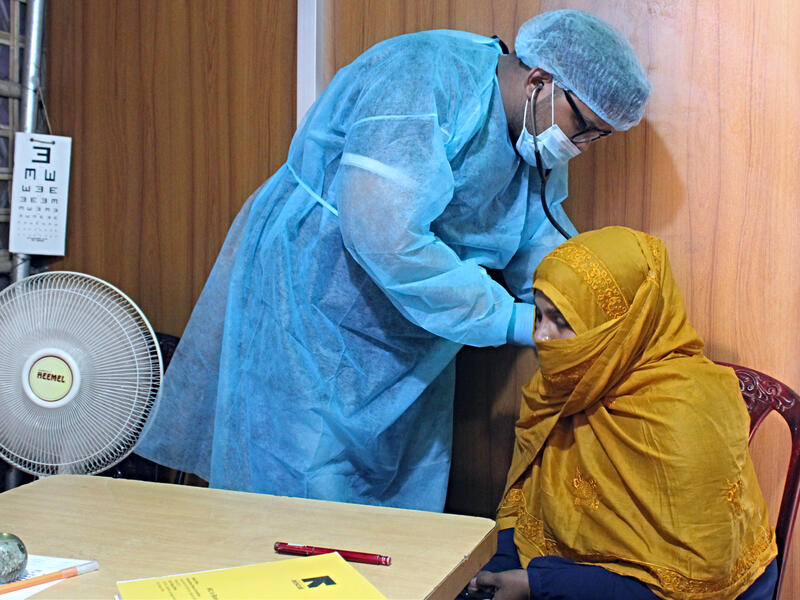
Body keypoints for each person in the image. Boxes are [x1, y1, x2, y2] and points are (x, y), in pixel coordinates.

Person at [135, 10, 650, 510]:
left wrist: (581, 304)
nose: (582, 146)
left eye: (598, 137)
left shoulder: (532, 137)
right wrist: (516, 320)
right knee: (299, 492)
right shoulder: (424, 75)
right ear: (540, 80)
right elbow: (385, 237)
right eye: (584, 127)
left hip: (414, 335)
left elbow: (537, 230)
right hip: (314, 305)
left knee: (399, 498)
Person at [465, 226, 777, 599]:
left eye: (562, 322)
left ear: (624, 326)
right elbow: (525, 504)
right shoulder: (566, 388)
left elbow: (690, 584)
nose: (541, 336)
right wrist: (497, 568)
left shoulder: (686, 415)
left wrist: (538, 584)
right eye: (540, 315)